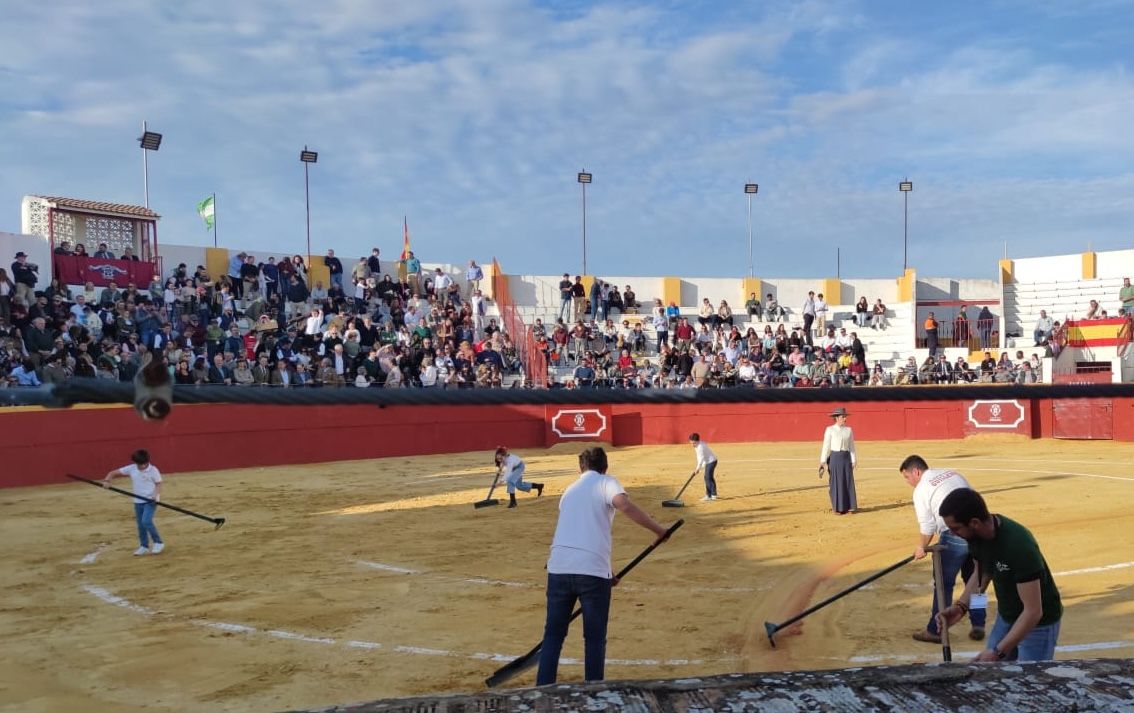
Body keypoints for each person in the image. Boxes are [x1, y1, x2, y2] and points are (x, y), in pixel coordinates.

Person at [535, 446, 670, 685]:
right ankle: (593, 691)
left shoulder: (569, 490)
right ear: (605, 467)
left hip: (559, 567)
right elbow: (623, 504)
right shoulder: (606, 482)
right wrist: (659, 530)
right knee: (594, 638)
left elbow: (577, 532)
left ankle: (543, 689)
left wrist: (606, 573)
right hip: (591, 572)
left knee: (553, 635)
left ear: (581, 467)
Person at [937, 488, 1062, 661]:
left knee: (1028, 676)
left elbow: (1033, 611)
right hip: (1007, 616)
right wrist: (961, 607)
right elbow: (981, 574)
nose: (952, 533)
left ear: (974, 523)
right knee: (993, 670)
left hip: (1038, 626)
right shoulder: (975, 537)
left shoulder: (1018, 546)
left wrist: (997, 652)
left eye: (955, 528)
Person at [899, 455, 987, 644]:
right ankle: (979, 624)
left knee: (943, 584)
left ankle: (936, 630)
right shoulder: (950, 472)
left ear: (916, 472)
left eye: (907, 477)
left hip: (954, 533)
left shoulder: (921, 489)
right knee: (976, 582)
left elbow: (928, 526)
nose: (908, 482)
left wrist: (921, 547)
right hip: (976, 530)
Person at [102, 449, 165, 556]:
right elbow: (112, 473)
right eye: (138, 464)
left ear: (147, 462)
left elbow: (159, 484)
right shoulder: (132, 468)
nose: (141, 466)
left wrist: (155, 495)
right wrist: (107, 480)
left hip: (150, 501)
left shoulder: (153, 470)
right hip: (138, 501)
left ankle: (158, 542)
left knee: (146, 521)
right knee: (140, 525)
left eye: (142, 464)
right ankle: (144, 546)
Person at [819, 406, 857, 514]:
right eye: (843, 417)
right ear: (836, 418)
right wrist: (823, 461)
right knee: (836, 483)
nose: (845, 418)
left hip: (846, 458)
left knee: (847, 482)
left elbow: (852, 446)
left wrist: (854, 460)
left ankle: (849, 506)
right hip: (834, 458)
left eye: (845, 416)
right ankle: (837, 508)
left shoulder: (848, 430)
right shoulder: (830, 430)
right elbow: (826, 446)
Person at [689, 432, 719, 501]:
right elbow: (699, 457)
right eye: (691, 443)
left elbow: (701, 458)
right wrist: (699, 468)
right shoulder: (697, 445)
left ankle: (710, 495)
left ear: (697, 441)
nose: (692, 444)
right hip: (710, 461)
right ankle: (712, 495)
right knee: (709, 477)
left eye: (694, 443)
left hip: (711, 462)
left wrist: (697, 469)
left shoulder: (700, 447)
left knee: (707, 478)